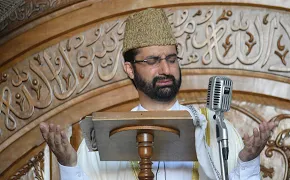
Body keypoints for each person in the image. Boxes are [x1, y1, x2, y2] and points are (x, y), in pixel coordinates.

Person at [39, 8, 277, 180]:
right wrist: (68, 164)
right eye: (153, 61)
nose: (166, 70)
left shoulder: (213, 128)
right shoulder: (106, 134)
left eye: (171, 59)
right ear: (130, 69)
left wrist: (247, 161)